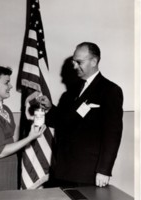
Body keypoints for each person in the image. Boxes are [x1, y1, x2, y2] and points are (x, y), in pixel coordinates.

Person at [38, 42, 123, 188]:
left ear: (94, 61)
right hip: (63, 169)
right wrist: (50, 108)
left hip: (88, 172)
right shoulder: (71, 91)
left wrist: (104, 170)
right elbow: (62, 122)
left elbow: (112, 134)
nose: (74, 66)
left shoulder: (110, 90)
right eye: (73, 62)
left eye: (79, 62)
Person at [0, 66, 45, 192]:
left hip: (9, 166)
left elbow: (6, 136)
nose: (11, 86)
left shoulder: (4, 109)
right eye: (6, 82)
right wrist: (30, 137)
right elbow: (0, 152)